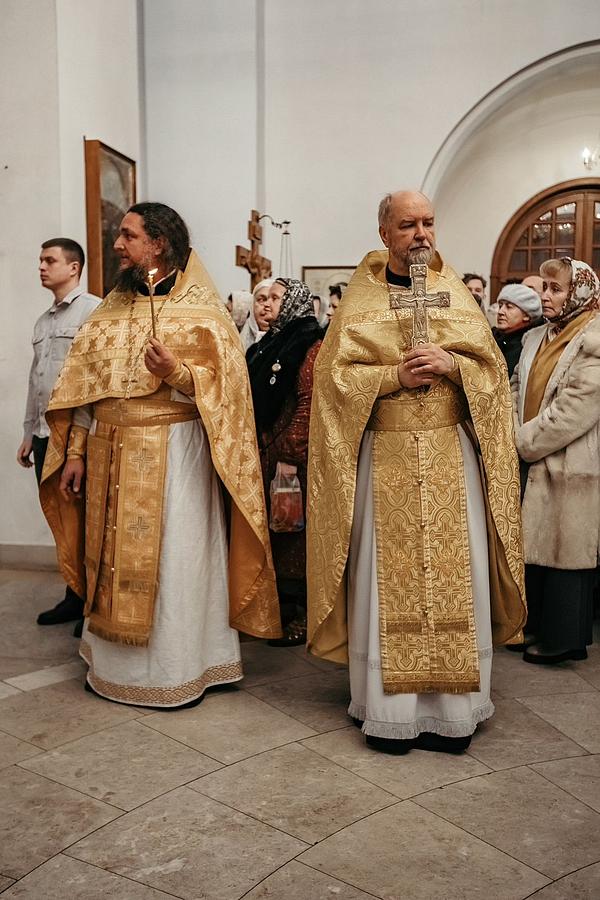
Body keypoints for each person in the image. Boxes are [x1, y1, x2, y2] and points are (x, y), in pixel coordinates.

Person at [307, 190, 526, 754]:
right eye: (408, 224)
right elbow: (334, 384)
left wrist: (455, 366)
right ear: (385, 233)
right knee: (387, 583)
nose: (422, 234)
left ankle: (455, 714)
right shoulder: (361, 299)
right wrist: (392, 378)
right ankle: (390, 714)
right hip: (386, 456)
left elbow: (492, 377)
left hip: (452, 457)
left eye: (428, 222)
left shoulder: (455, 293)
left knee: (457, 580)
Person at [40, 202, 280, 707]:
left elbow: (230, 393)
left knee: (178, 559)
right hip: (108, 450)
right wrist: (76, 449)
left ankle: (179, 668)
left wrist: (178, 373)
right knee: (108, 557)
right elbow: (85, 389)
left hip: (176, 455)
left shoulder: (205, 313)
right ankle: (114, 667)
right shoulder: (109, 311)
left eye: (128, 236)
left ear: (159, 243)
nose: (118, 245)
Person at [513, 257, 600, 665]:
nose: (545, 296)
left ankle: (565, 638)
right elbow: (515, 386)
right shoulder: (536, 336)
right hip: (531, 452)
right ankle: (536, 625)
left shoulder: (594, 337)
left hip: (571, 460)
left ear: (578, 293)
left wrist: (523, 441)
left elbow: (576, 408)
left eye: (556, 289)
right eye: (543, 287)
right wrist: (513, 427)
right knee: (535, 548)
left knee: (567, 550)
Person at [17, 238, 100, 633]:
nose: (41, 266)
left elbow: (90, 383)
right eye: (40, 259)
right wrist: (27, 431)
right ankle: (74, 596)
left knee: (84, 520)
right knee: (62, 521)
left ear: (74, 267)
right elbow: (36, 381)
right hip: (43, 434)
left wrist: (78, 445)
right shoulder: (43, 321)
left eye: (49, 260)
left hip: (74, 436)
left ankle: (92, 605)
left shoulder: (92, 311)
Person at [247, 278, 324, 646]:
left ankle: (307, 616)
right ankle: (284, 609)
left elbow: (309, 403)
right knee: (278, 533)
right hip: (269, 452)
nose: (267, 305)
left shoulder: (310, 344)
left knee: (297, 537)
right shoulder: (271, 343)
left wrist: (291, 456)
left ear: (294, 302)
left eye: (276, 298)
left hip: (295, 461)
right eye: (262, 298)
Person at [493, 283, 543, 377]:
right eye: (500, 306)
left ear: (526, 315)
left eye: (509, 307)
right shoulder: (491, 338)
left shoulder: (530, 345)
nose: (500, 312)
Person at [240, 278, 274, 350]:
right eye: (261, 300)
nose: (267, 305)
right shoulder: (239, 342)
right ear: (252, 305)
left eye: (274, 300)